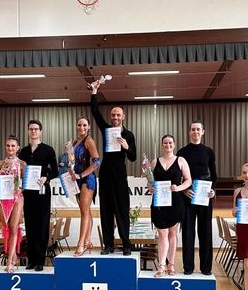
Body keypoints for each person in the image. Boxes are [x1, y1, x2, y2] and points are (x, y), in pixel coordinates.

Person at [90, 78, 137, 256]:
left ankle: (126, 244)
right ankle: (108, 244)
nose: (116, 117)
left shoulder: (129, 134)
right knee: (106, 211)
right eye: (113, 115)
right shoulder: (106, 129)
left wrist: (126, 146)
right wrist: (94, 92)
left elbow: (132, 157)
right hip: (106, 174)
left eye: (119, 115)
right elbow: (95, 113)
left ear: (123, 117)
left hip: (120, 176)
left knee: (122, 211)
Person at [177, 121, 217, 275]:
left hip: (204, 196)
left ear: (203, 132)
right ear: (189, 132)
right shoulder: (182, 152)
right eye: (193, 129)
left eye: (198, 129)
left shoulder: (209, 152)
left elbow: (214, 175)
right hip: (188, 196)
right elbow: (178, 176)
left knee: (205, 231)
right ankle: (188, 267)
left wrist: (212, 190)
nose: (195, 132)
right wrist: (184, 190)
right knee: (188, 232)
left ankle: (206, 268)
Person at [148, 135, 192, 276]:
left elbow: (188, 180)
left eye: (170, 143)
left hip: (176, 202)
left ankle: (171, 265)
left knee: (172, 234)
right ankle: (161, 266)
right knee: (162, 233)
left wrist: (178, 188)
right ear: (162, 145)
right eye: (165, 143)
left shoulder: (181, 160)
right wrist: (150, 187)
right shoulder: (155, 162)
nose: (168, 145)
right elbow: (150, 181)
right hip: (159, 203)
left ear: (174, 144)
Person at [19, 120, 58, 271]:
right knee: (30, 225)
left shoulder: (48, 150)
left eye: (36, 129)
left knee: (42, 225)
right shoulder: (23, 152)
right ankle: (31, 259)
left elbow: (55, 171)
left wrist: (46, 178)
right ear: (28, 131)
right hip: (28, 193)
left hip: (42, 192)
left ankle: (40, 260)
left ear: (40, 131)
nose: (33, 131)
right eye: (31, 129)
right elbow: (19, 173)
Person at [68, 116, 101, 256]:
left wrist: (81, 175)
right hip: (76, 179)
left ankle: (80, 244)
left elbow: (97, 162)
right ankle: (88, 240)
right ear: (76, 126)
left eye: (84, 125)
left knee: (84, 212)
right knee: (85, 210)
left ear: (89, 127)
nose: (82, 127)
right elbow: (71, 162)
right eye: (79, 125)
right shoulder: (74, 142)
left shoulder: (89, 141)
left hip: (87, 179)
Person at [0, 135, 26, 273]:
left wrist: (20, 188)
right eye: (8, 145)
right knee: (5, 226)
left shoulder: (22, 164)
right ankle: (13, 255)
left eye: (13, 146)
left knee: (14, 227)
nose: (10, 148)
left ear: (17, 147)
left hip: (16, 198)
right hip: (3, 199)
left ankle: (9, 261)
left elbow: (25, 183)